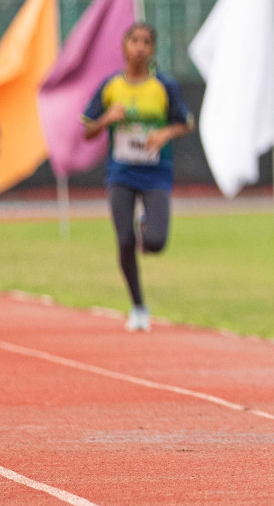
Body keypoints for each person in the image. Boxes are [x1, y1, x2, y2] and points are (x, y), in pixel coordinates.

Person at [82, 23, 193, 333]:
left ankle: (147, 220)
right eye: (135, 40)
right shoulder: (110, 87)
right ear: (124, 46)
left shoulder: (164, 86)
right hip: (121, 172)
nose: (140, 47)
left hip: (156, 172)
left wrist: (163, 133)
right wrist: (107, 118)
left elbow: (185, 123)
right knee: (125, 240)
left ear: (153, 49)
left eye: (147, 41)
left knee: (155, 242)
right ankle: (138, 306)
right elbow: (88, 130)